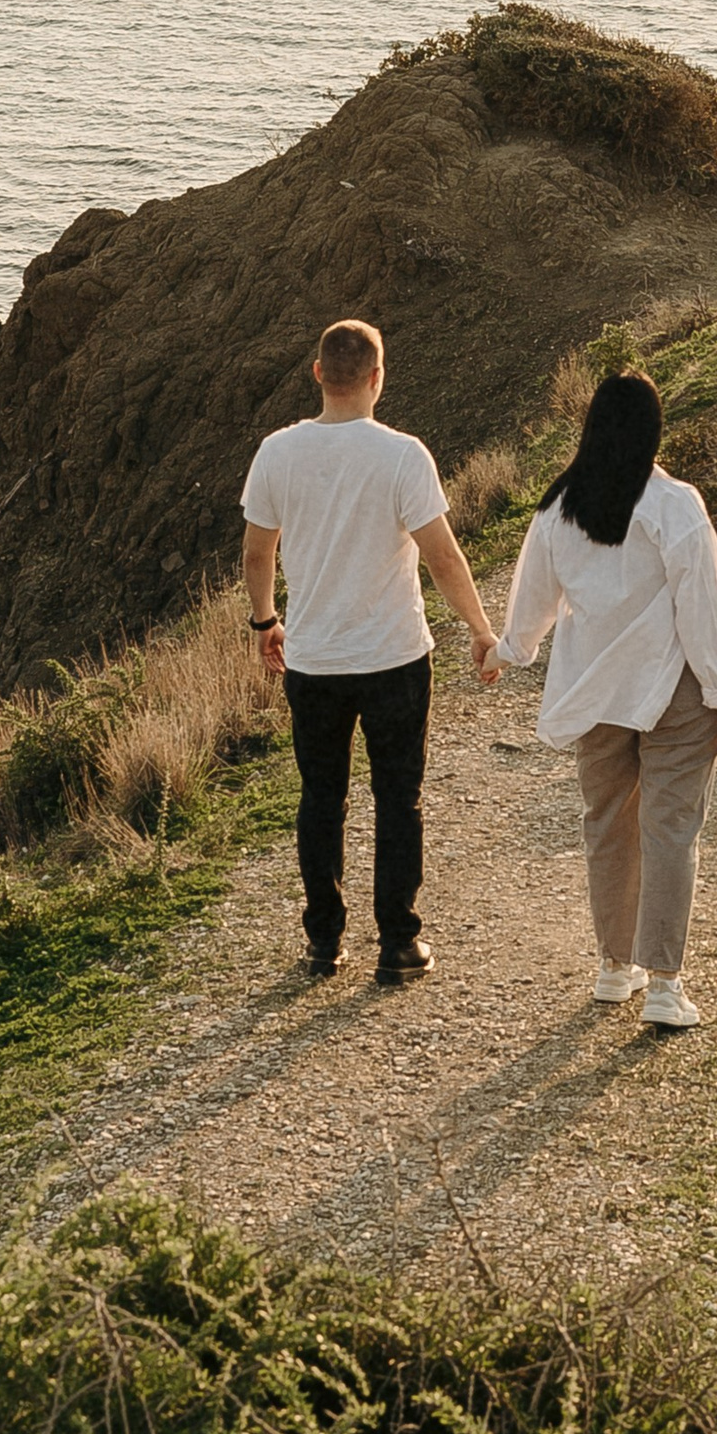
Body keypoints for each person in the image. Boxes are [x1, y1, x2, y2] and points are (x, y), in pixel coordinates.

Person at [485, 369, 717, 1033]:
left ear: (591, 425)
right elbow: (701, 606)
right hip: (673, 689)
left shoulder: (559, 506)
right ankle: (663, 984)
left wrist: (508, 651)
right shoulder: (674, 504)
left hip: (595, 686)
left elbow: (533, 602)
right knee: (669, 830)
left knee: (606, 823)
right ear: (656, 430)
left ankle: (613, 966)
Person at [242, 319, 496, 986]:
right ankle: (398, 945)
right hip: (394, 657)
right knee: (397, 797)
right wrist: (479, 628)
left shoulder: (277, 451)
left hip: (315, 659)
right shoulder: (403, 455)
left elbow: (256, 549)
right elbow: (442, 555)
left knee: (321, 799)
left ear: (319, 373)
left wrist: (266, 620)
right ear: (378, 379)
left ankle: (324, 944)